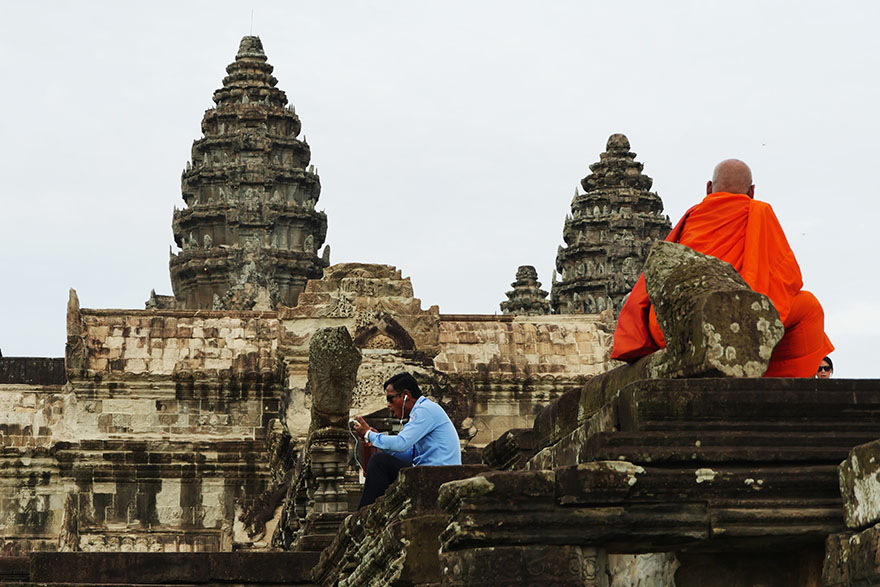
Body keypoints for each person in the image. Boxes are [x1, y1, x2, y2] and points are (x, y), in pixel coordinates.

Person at [612, 159, 833, 377]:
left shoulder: (693, 216)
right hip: (729, 322)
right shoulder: (759, 211)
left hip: (666, 327)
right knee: (810, 306)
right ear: (752, 191)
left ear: (709, 188)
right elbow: (788, 279)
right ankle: (775, 379)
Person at [352, 372, 461, 509]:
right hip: (429, 472)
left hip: (439, 475)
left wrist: (369, 435)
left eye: (390, 398)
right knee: (382, 460)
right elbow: (409, 455)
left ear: (405, 396)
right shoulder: (421, 412)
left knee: (379, 462)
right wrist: (376, 439)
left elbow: (401, 444)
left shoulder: (425, 410)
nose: (388, 404)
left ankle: (363, 513)